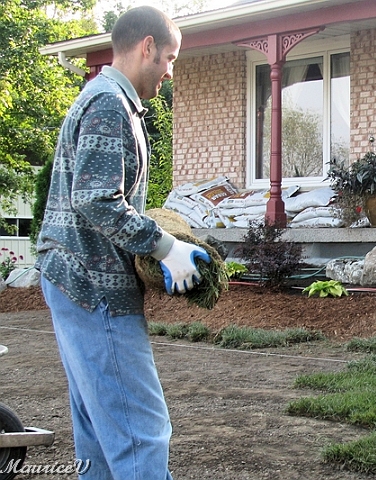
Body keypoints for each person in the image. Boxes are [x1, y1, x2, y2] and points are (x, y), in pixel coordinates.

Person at [36, 7, 209, 478]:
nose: (171, 72)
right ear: (146, 47)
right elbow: (95, 200)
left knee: (97, 434)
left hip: (73, 280)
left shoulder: (105, 98)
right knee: (141, 433)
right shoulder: (110, 102)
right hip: (95, 288)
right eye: (170, 58)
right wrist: (163, 247)